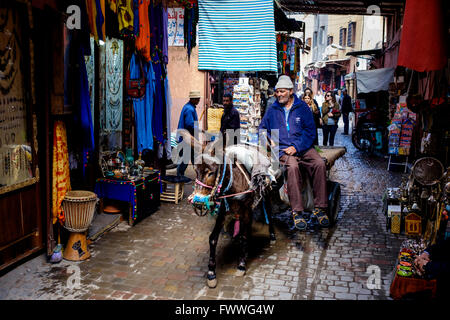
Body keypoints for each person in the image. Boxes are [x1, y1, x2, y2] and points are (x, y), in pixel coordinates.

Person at [259, 75, 329, 231]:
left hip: (303, 147)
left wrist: (297, 147)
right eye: (277, 92)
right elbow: (262, 128)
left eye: (282, 91)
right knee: (292, 166)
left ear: (290, 91)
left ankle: (320, 207)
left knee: (319, 163)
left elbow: (310, 132)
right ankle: (297, 211)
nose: (279, 94)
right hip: (282, 149)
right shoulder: (272, 109)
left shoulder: (302, 107)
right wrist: (267, 140)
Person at [176, 90, 201, 176]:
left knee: (191, 159)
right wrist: (198, 130)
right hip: (188, 139)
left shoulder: (189, 107)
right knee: (190, 159)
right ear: (193, 99)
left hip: (188, 138)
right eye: (197, 99)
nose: (199, 100)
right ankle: (180, 176)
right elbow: (190, 124)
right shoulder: (189, 109)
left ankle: (197, 177)